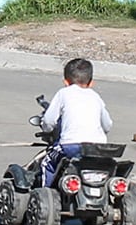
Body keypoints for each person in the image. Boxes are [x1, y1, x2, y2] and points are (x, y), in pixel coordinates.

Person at [37, 57, 112, 188]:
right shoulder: (96, 97)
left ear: (65, 82)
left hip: (71, 146)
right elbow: (107, 125)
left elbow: (49, 121)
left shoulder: (63, 93)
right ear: (91, 83)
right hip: (98, 148)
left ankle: (46, 193)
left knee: (47, 163)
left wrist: (46, 128)